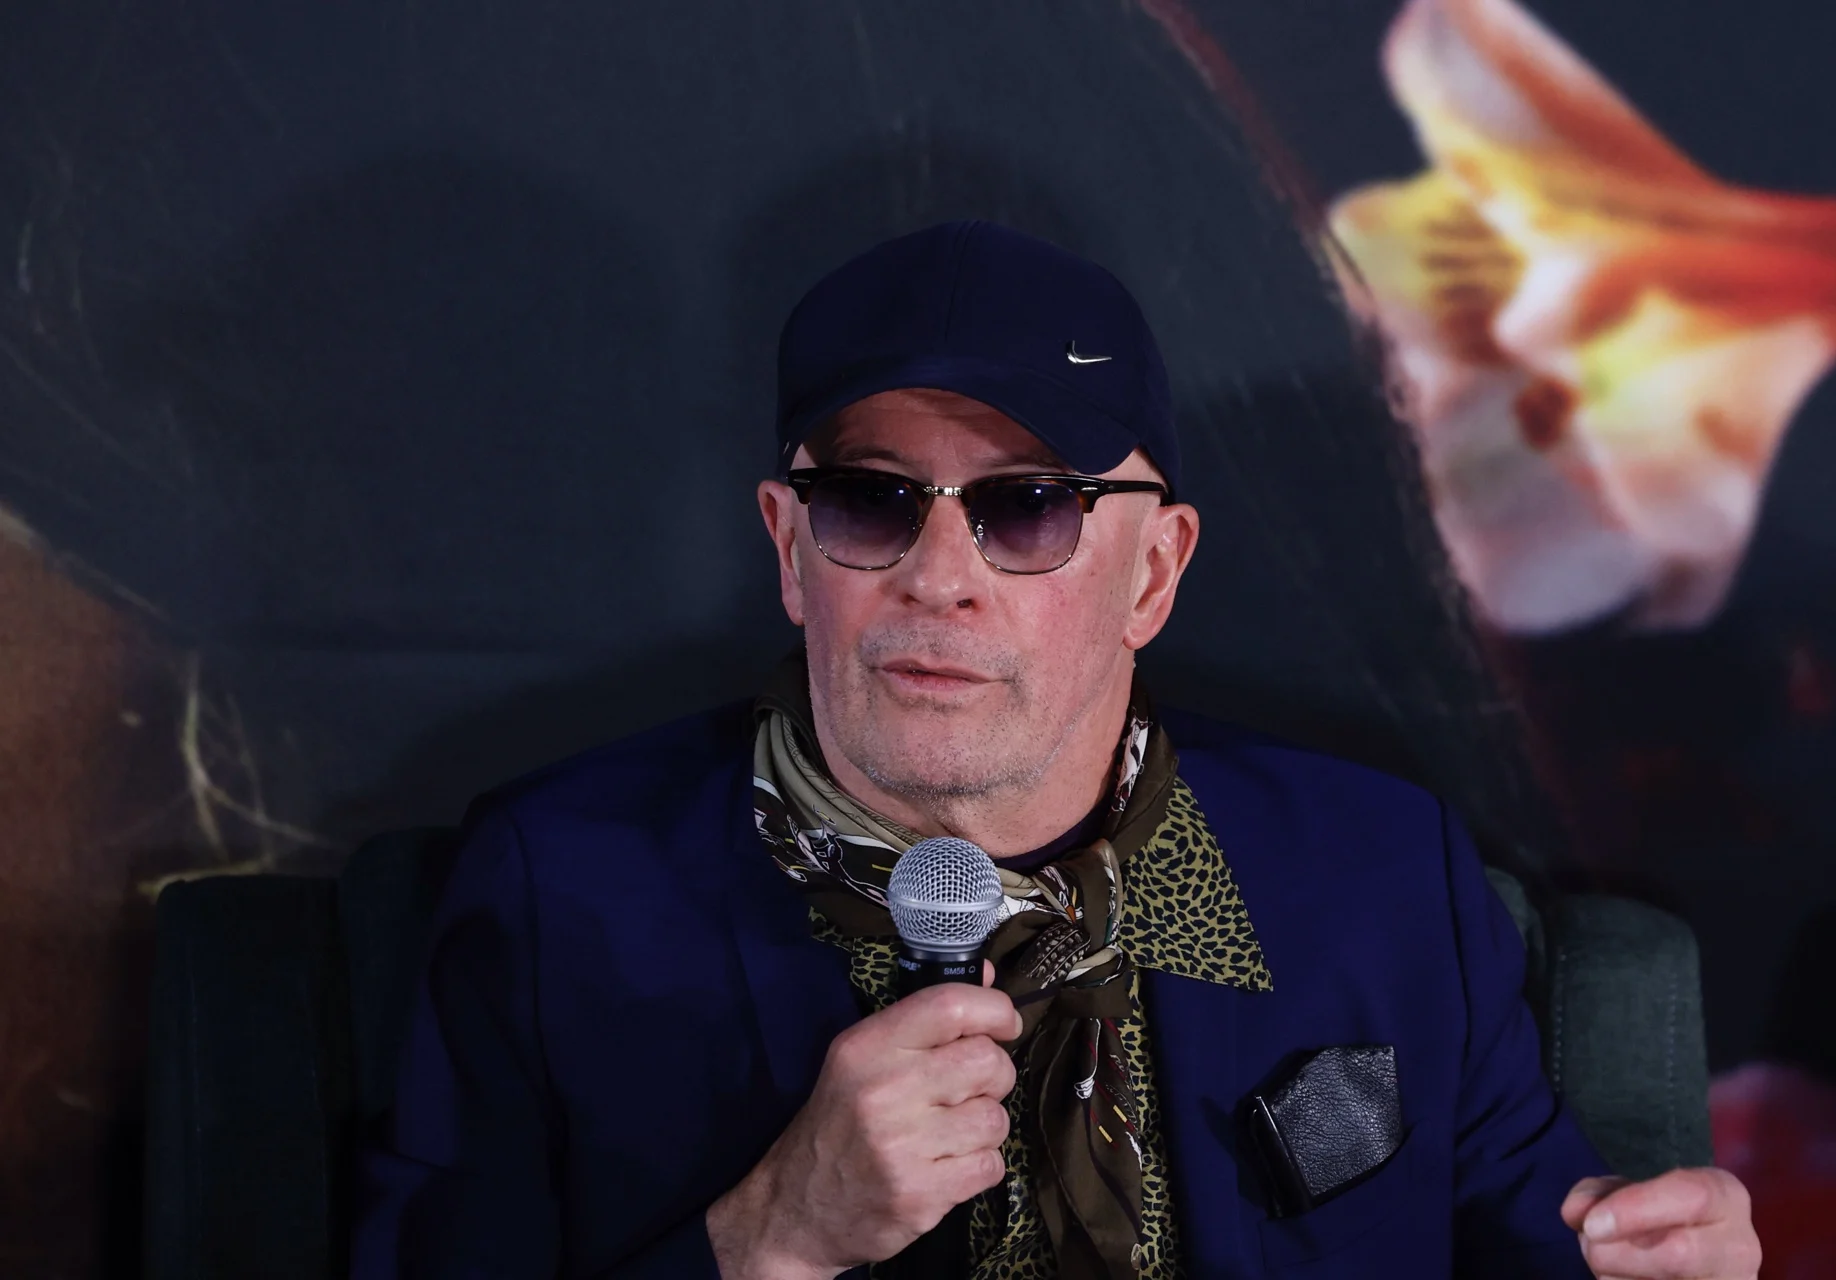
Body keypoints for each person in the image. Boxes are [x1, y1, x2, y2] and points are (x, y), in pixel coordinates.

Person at [351, 221, 1761, 1278]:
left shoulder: (1379, 876)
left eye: (1027, 508)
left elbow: (1545, 1242)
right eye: (870, 502)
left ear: (1154, 573)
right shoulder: (564, 893)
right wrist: (771, 1236)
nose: (938, 578)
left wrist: (1655, 1261)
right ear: (790, 549)